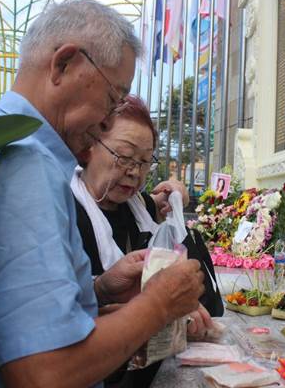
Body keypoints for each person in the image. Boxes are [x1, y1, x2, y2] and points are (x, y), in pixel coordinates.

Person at [0, 0, 204, 388]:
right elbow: (43, 372)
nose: (108, 120)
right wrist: (160, 304)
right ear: (64, 64)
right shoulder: (22, 163)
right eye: (112, 97)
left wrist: (98, 288)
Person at [71, 95, 223, 387]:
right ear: (88, 146)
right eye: (124, 157)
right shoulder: (64, 212)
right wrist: (166, 309)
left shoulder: (133, 204)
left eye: (144, 162)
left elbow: (163, 200)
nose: (134, 172)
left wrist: (178, 191)